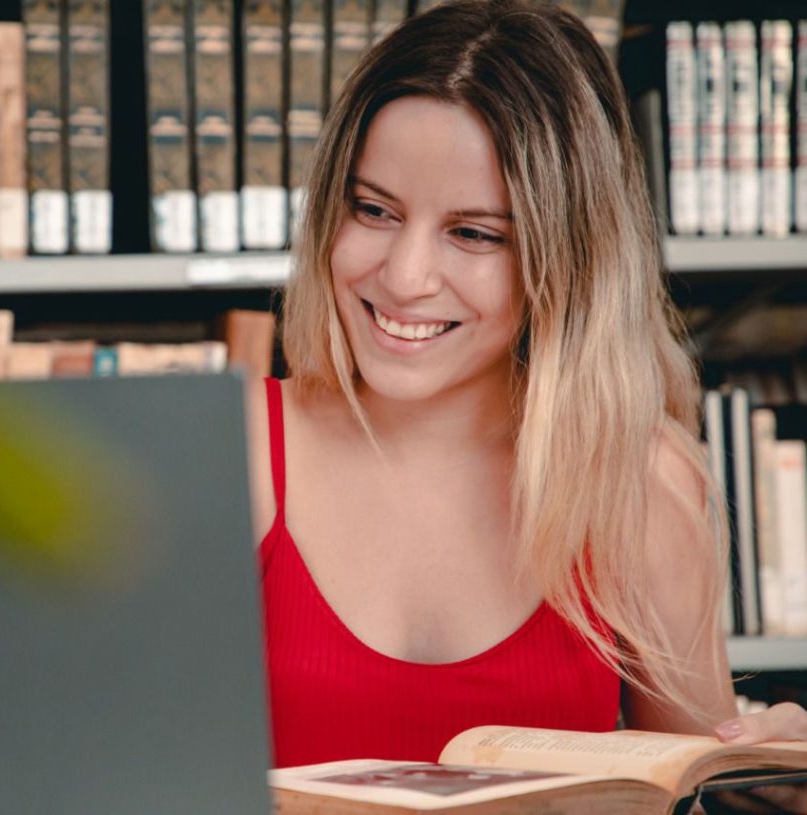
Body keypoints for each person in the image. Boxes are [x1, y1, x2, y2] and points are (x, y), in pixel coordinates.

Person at [245, 1, 807, 810]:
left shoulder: (640, 484)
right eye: (374, 210)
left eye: (474, 234)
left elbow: (683, 792)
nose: (404, 277)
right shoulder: (235, 450)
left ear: (567, 256)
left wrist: (764, 767)